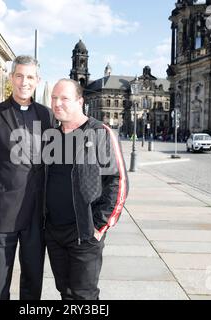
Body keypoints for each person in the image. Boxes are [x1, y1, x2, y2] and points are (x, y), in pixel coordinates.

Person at [0, 55, 54, 300]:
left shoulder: (47, 116)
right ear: (12, 78)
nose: (24, 82)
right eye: (19, 75)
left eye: (30, 77)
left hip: (36, 215)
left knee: (33, 280)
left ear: (37, 81)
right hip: (2, 215)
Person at [44, 79, 129, 300]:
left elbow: (117, 182)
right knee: (65, 292)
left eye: (64, 98)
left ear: (80, 101)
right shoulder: (51, 136)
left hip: (84, 232)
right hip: (54, 232)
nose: (57, 103)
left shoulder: (100, 132)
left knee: (84, 296)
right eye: (54, 98)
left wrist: (99, 226)